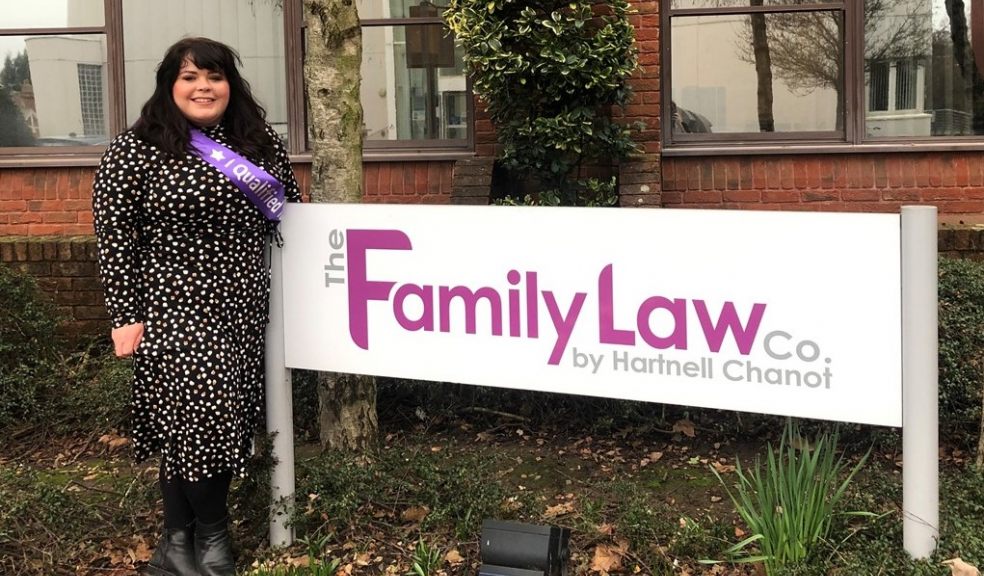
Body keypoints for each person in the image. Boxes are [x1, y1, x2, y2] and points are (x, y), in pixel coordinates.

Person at [92, 37, 302, 576]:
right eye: (189, 77)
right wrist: (125, 313)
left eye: (213, 76)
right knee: (200, 422)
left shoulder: (258, 144)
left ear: (230, 84)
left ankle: (176, 544)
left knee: (199, 426)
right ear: (170, 84)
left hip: (240, 306)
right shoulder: (137, 148)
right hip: (172, 307)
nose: (203, 86)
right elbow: (115, 234)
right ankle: (213, 539)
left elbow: (291, 210)